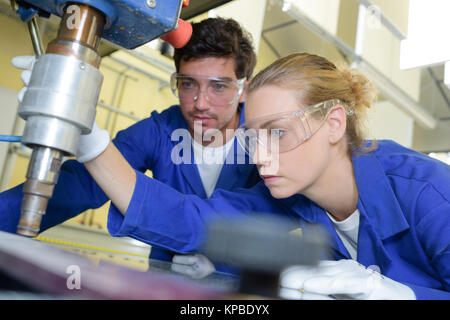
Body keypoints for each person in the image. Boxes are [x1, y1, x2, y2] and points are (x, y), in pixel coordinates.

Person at [80, 52, 450, 299]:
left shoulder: (432, 196)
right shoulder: (291, 195)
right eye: (252, 138)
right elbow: (195, 220)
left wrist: (404, 294)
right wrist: (92, 144)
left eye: (276, 132)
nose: (261, 156)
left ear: (334, 123)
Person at [0, 17, 259, 275]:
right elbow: (81, 184)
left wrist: (226, 267)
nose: (200, 102)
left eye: (218, 86)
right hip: (164, 286)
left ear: (243, 90)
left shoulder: (266, 142)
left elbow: (278, 220)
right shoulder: (161, 131)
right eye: (188, 83)